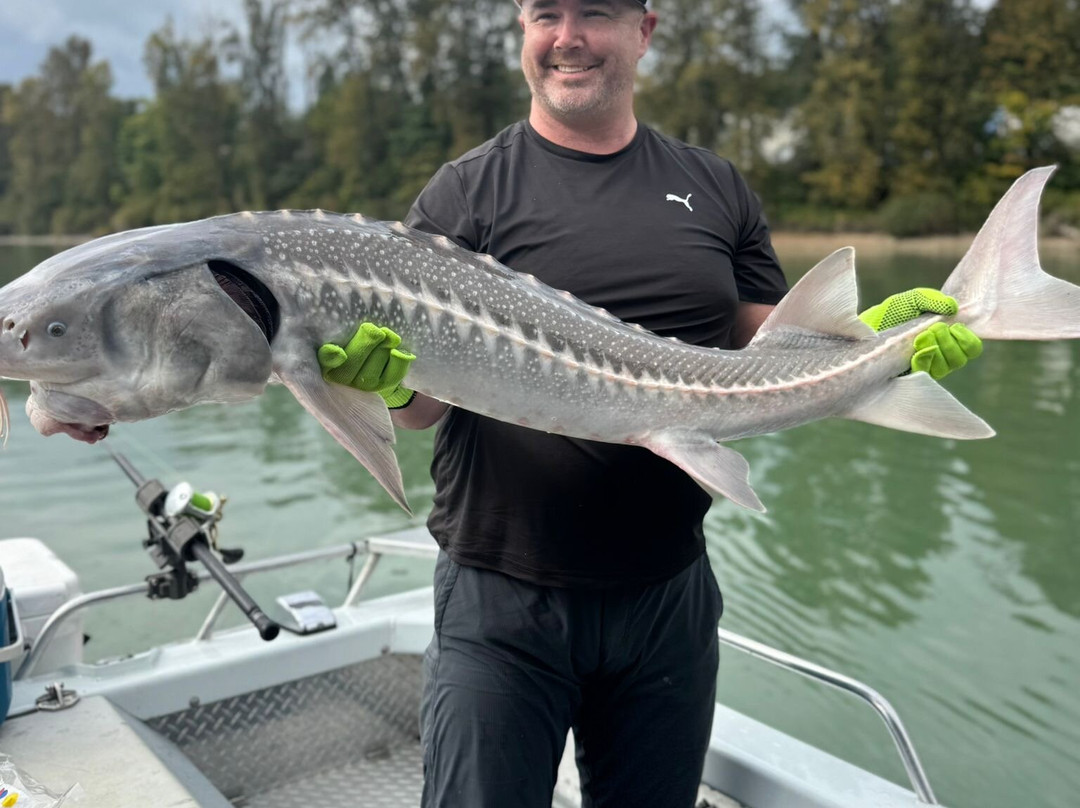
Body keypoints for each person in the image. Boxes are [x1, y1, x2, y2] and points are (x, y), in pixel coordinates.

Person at [317, 0, 982, 805]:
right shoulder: (465, 194)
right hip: (500, 602)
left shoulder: (713, 185)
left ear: (645, 30)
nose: (567, 38)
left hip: (667, 596)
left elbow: (767, 351)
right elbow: (420, 412)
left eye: (593, 12)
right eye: (543, 14)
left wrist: (879, 342)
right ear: (523, 31)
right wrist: (386, 386)